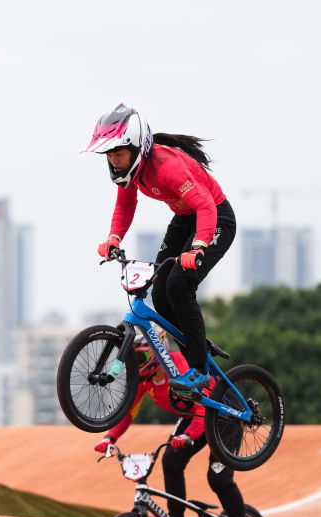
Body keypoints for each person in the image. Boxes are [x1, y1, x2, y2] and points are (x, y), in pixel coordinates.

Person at [82, 103, 237, 391]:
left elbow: (206, 206)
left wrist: (198, 248)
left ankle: (199, 369)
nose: (114, 161)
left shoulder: (168, 168)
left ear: (137, 148)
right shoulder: (130, 172)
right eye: (109, 155)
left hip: (215, 218)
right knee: (160, 292)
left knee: (178, 285)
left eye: (119, 153)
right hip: (184, 219)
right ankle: (196, 351)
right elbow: (125, 206)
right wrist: (114, 238)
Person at [94, 337, 247, 517]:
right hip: (194, 415)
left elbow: (204, 405)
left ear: (154, 355)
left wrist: (188, 435)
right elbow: (128, 412)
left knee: (218, 478)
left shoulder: (177, 366)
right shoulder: (143, 381)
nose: (134, 365)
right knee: (171, 461)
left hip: (225, 416)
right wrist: (110, 438)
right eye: (131, 360)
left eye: (139, 359)